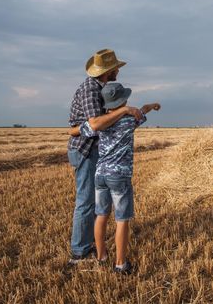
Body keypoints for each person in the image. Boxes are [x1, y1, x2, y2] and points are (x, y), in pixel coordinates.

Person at [70, 82, 161, 274]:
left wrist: (74, 129)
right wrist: (151, 106)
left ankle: (101, 257)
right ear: (124, 101)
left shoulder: (100, 123)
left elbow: (76, 130)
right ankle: (120, 264)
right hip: (119, 176)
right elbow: (141, 111)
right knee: (121, 220)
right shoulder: (129, 121)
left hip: (100, 174)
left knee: (101, 216)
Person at [67, 49, 142, 265]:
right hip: (85, 149)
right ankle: (80, 253)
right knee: (86, 202)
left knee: (96, 206)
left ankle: (95, 249)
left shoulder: (99, 88)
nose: (118, 70)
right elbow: (96, 124)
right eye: (116, 67)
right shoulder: (91, 90)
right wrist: (125, 110)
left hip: (94, 151)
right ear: (108, 71)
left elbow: (87, 126)